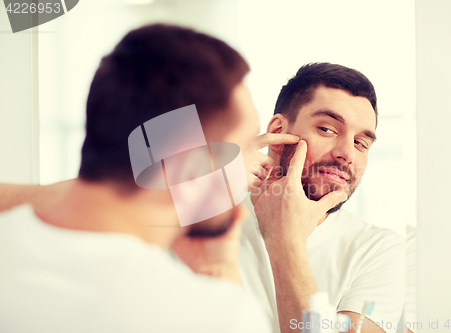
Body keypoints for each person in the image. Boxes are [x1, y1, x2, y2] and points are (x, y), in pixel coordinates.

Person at [0, 24, 279, 333]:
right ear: (190, 171)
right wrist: (221, 277)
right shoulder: (214, 315)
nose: (259, 160)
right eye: (247, 145)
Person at [239, 63, 406, 333]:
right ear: (279, 131)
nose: (347, 154)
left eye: (361, 143)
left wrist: (287, 240)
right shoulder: (204, 214)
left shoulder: (379, 250)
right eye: (328, 129)